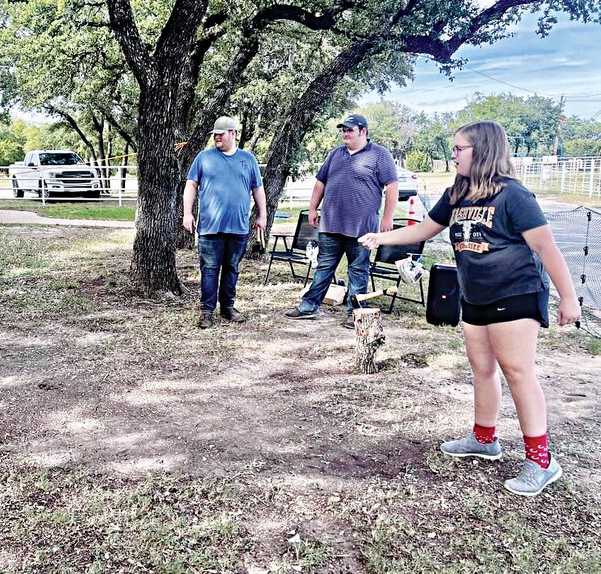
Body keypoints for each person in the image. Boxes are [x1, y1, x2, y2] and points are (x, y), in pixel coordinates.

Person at [359, 120, 581, 497]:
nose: (454, 154)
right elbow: (424, 229)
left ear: (483, 150)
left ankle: (541, 460)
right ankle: (484, 439)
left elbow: (546, 247)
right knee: (482, 369)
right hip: (474, 296)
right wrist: (382, 236)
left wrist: (569, 298)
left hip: (514, 293)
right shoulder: (458, 191)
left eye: (460, 148)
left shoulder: (514, 195)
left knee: (517, 372)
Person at [284, 113, 398, 328]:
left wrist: (387, 217)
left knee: (358, 270)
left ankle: (355, 313)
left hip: (362, 227)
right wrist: (312, 209)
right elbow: (320, 183)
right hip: (331, 224)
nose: (345, 133)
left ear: (363, 131)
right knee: (324, 266)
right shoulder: (335, 154)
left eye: (349, 130)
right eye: (343, 130)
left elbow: (392, 186)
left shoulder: (379, 155)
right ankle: (308, 307)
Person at [183, 116, 267, 329]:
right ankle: (207, 311)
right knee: (210, 269)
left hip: (238, 226)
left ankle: (227, 307)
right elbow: (191, 185)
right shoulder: (204, 158)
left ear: (233, 133)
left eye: (221, 133)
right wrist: (187, 213)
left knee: (232, 268)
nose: (217, 137)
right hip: (210, 227)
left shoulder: (248, 160)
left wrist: (262, 215)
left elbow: (258, 188)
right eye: (215, 134)